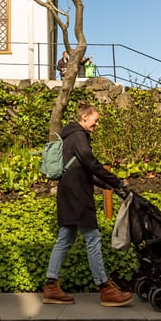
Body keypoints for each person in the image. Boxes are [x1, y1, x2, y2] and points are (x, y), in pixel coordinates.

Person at [42, 103, 133, 307]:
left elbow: (85, 171)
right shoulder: (78, 136)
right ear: (85, 118)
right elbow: (90, 162)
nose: (97, 124)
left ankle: (51, 285)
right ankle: (104, 288)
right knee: (93, 239)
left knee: (65, 238)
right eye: (95, 120)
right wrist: (116, 181)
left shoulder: (70, 136)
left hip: (69, 193)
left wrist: (110, 185)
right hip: (78, 196)